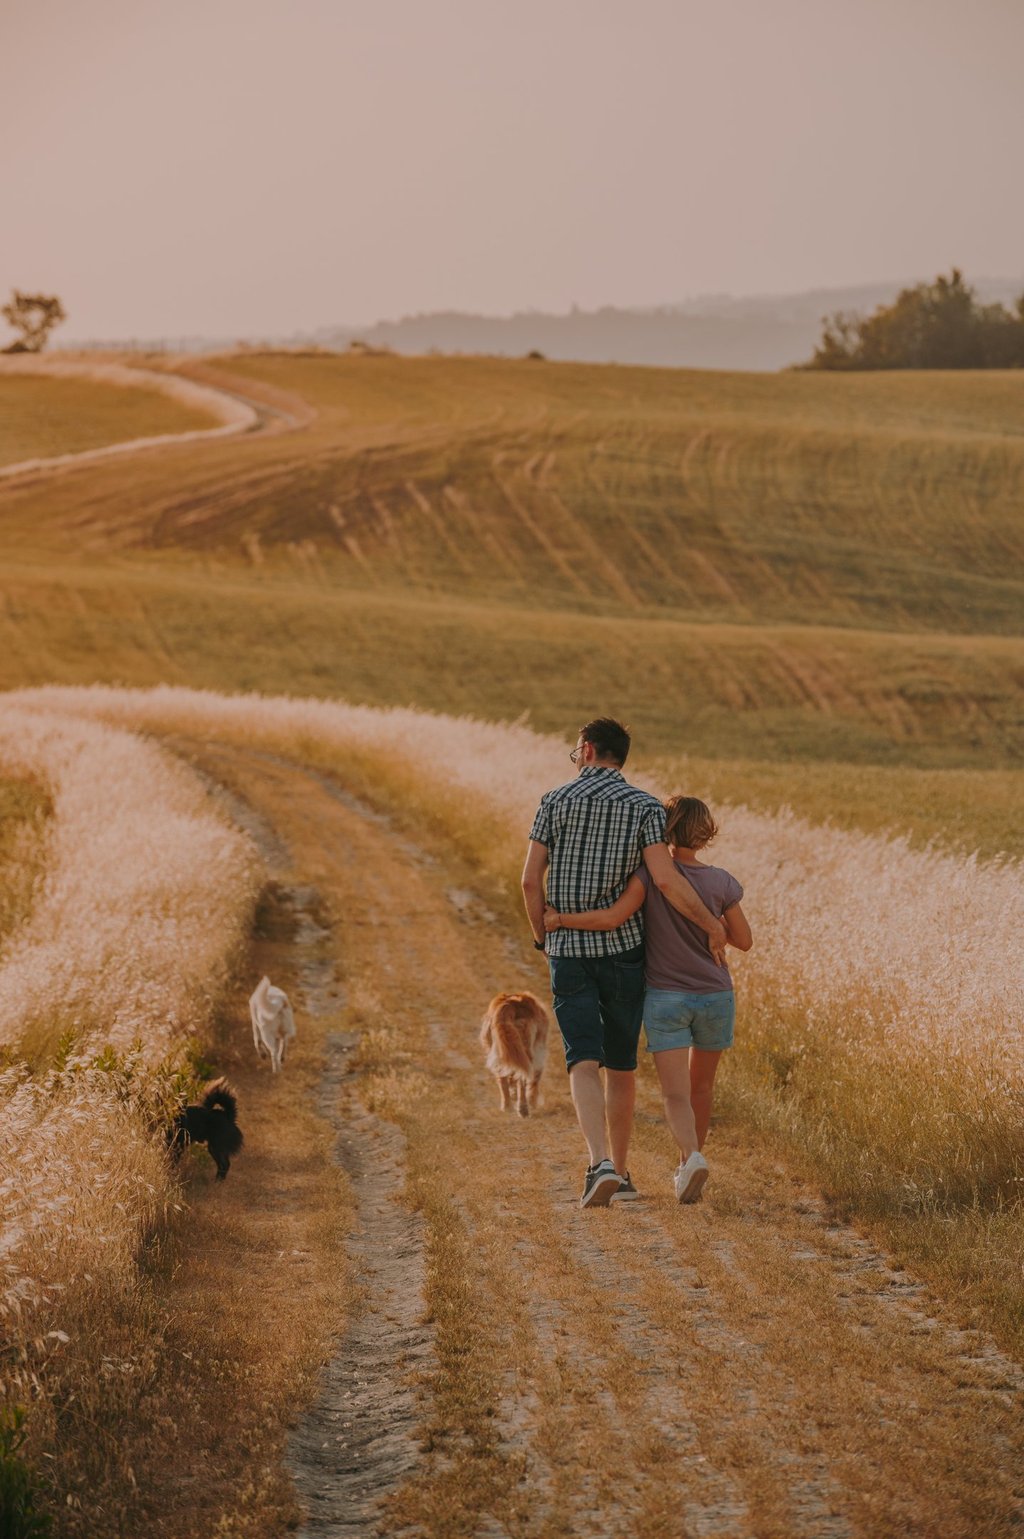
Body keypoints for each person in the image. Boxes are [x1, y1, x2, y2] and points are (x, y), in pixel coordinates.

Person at [522, 721, 727, 1208]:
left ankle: (600, 1165)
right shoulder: (645, 808)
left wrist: (541, 937)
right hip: (625, 954)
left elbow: (531, 881)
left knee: (582, 1060)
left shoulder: (554, 801)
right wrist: (710, 925)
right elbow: (666, 881)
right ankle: (624, 1171)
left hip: (569, 950)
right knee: (621, 1063)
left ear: (588, 749)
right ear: (621, 756)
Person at [544, 795, 751, 1204]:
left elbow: (613, 918)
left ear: (663, 829)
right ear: (706, 833)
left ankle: (691, 1157)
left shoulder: (649, 876)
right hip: (715, 996)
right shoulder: (723, 881)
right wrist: (712, 927)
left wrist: (560, 920)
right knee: (702, 1088)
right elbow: (743, 940)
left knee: (674, 1094)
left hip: (666, 999)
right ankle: (688, 1163)